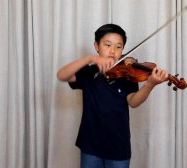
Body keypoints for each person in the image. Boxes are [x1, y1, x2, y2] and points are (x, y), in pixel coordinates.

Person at [57, 24, 168, 168]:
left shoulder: (127, 73)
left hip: (118, 146)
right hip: (90, 145)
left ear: (123, 49)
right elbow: (62, 75)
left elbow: (133, 102)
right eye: (107, 45)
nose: (112, 51)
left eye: (118, 47)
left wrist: (150, 84)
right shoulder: (89, 72)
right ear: (97, 46)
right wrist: (89, 58)